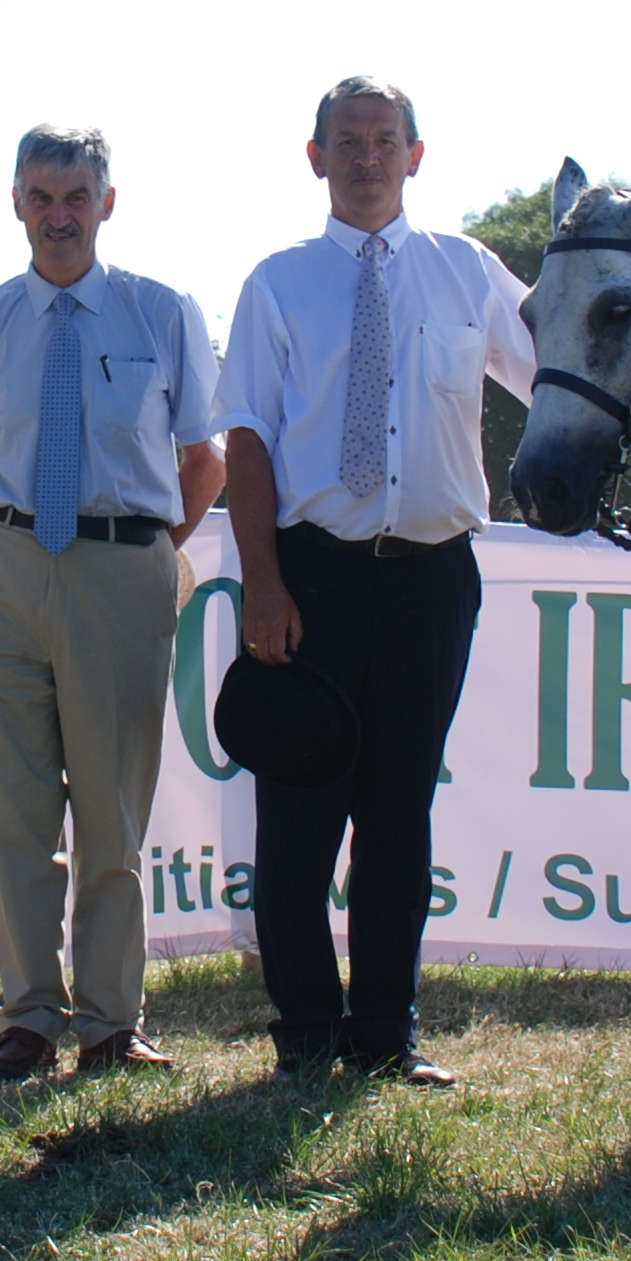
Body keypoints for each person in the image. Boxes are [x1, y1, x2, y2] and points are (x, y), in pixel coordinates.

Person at [217, 78, 536, 1086]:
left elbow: (556, 370)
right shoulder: (277, 283)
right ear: (315, 157)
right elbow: (245, 442)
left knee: (400, 814)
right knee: (298, 820)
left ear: (415, 155)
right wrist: (263, 584)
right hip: (311, 578)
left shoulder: (468, 272)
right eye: (347, 141)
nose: (367, 158)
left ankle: (386, 1033)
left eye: (384, 140)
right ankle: (308, 1035)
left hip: (431, 584)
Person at [0, 125, 226, 1083]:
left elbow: (205, 458)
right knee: (18, 811)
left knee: (112, 814)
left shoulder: (162, 312)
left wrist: (142, 556)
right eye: (41, 197)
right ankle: (28, 1018)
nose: (58, 217)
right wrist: (5, 555)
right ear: (16, 204)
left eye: (76, 197)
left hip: (123, 565)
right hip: (6, 566)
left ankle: (110, 1023)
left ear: (108, 203)